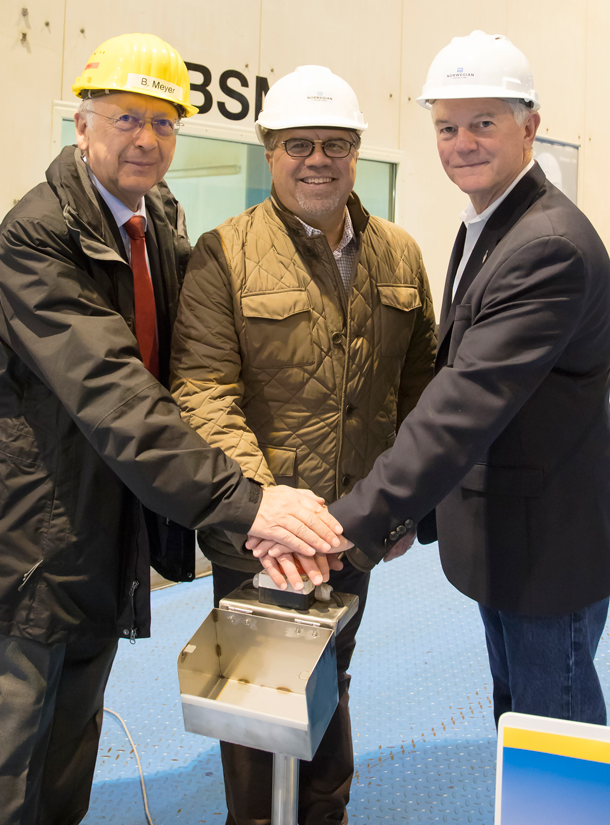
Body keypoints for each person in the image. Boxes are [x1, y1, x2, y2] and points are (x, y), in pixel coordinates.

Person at [0, 35, 342, 825]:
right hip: (35, 532)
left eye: (165, 123)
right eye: (126, 117)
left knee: (74, 733)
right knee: (15, 748)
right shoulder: (38, 238)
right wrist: (245, 503)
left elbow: (193, 367)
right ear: (82, 124)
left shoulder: (155, 221)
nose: (146, 138)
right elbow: (115, 397)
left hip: (109, 522)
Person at [255, 31, 610, 728]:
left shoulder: (545, 244)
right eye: (447, 127)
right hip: (511, 534)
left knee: (555, 728)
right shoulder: (490, 222)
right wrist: (415, 513)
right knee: (517, 714)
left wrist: (348, 523)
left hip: (550, 541)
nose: (462, 143)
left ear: (529, 126)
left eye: (482, 123)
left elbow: (460, 407)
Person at [171, 64, 436, 825]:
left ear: (354, 152)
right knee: (255, 699)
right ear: (268, 152)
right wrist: (263, 510)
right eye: (297, 144)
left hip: (353, 524)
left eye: (334, 143)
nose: (316, 158)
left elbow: (419, 392)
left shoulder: (398, 254)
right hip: (260, 534)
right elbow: (203, 393)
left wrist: (398, 508)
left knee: (331, 673)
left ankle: (326, 814)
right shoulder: (225, 254)